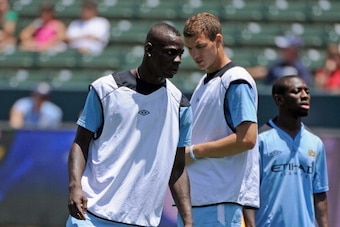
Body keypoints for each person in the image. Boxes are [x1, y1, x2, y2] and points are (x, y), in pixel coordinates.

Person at [66, 22, 193, 227]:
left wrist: (188, 220)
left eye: (180, 54)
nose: (177, 60)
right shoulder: (105, 89)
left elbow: (177, 168)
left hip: (141, 222)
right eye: (170, 53)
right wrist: (74, 186)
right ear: (149, 50)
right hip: (91, 216)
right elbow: (81, 142)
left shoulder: (181, 106)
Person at [181, 12, 259, 227]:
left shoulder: (236, 80)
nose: (195, 54)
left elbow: (247, 139)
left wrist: (194, 152)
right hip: (198, 199)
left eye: (200, 46)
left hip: (220, 200)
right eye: (190, 49)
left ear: (218, 40)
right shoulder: (203, 83)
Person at [245, 75, 329, 226]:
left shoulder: (316, 143)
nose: (304, 96)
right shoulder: (260, 139)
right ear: (279, 99)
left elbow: (320, 195)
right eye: (296, 91)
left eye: (307, 91)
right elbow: (248, 193)